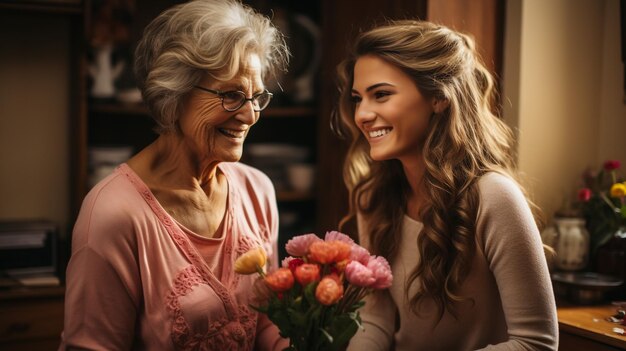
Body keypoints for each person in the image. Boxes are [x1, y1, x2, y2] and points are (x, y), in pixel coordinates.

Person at [60, 0, 290, 349]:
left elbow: (268, 323)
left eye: (256, 96)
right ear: (174, 93)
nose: (250, 114)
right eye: (231, 95)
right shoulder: (112, 215)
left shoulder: (257, 190)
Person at [333, 20, 559, 350]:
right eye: (357, 98)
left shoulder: (494, 197)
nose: (362, 114)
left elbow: (536, 343)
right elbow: (375, 320)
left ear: (438, 97)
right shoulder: (374, 197)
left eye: (381, 94)